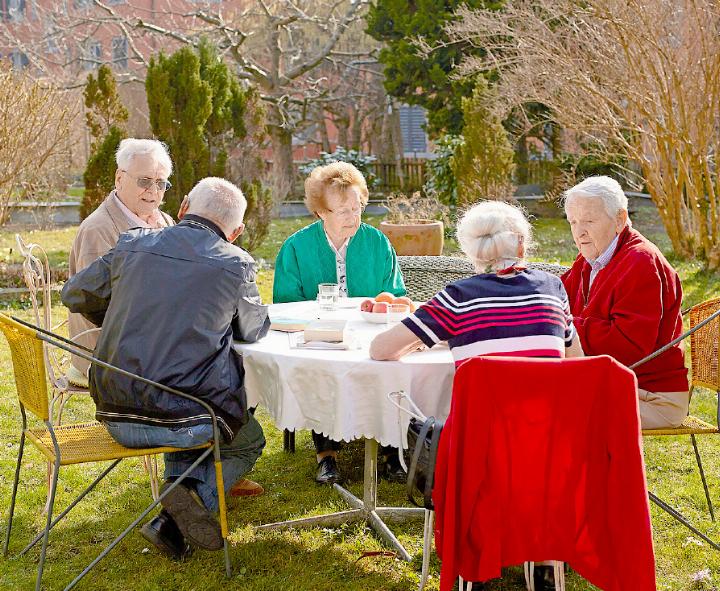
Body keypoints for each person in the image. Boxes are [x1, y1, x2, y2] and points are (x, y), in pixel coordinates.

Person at [370, 199, 583, 591]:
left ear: (471, 250)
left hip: (480, 450)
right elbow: (576, 361)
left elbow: (381, 348)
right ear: (521, 245)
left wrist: (439, 339)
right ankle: (544, 561)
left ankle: (473, 563)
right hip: (548, 446)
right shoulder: (554, 289)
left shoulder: (459, 298)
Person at [61, 177, 270, 560]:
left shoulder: (132, 243)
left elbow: (74, 292)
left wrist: (126, 312)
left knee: (184, 395)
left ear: (184, 206)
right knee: (248, 437)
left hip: (113, 410)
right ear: (236, 232)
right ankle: (185, 505)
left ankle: (169, 521)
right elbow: (253, 329)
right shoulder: (235, 263)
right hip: (188, 420)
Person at [273, 161, 406, 485]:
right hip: (318, 333)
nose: (352, 217)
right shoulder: (296, 247)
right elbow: (285, 303)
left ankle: (391, 453)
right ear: (321, 212)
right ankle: (326, 455)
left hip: (370, 332)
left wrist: (384, 300)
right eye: (342, 210)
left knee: (388, 368)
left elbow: (397, 293)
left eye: (356, 207)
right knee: (321, 368)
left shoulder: (376, 242)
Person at [561, 176, 689, 429]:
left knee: (552, 411)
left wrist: (565, 326)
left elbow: (628, 346)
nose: (579, 232)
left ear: (619, 219)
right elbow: (556, 303)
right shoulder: (591, 258)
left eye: (588, 220)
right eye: (573, 222)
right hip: (610, 383)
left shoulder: (641, 262)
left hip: (652, 396)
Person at [66, 138, 174, 386]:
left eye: (160, 183)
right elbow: (100, 309)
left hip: (152, 343)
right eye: (144, 181)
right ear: (119, 178)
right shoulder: (99, 230)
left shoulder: (164, 222)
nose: (153, 191)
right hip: (107, 355)